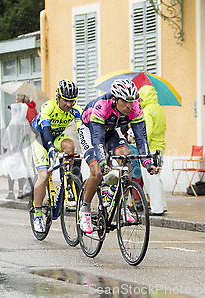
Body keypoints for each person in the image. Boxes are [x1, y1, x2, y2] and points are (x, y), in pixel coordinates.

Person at [78, 79, 159, 234]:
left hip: (111, 130)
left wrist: (148, 163)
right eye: (125, 102)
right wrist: (103, 162)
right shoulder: (102, 105)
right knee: (97, 171)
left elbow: (141, 139)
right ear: (115, 99)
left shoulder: (135, 108)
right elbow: (97, 139)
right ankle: (85, 210)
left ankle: (122, 206)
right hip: (90, 131)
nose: (129, 106)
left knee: (125, 157)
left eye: (132, 101)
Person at [30, 79, 83, 233]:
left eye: (72, 101)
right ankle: (38, 214)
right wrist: (51, 149)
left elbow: (82, 131)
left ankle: (67, 180)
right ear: (58, 97)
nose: (68, 104)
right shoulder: (48, 107)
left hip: (57, 136)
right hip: (40, 139)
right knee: (44, 174)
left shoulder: (76, 110)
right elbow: (46, 131)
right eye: (65, 100)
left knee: (70, 146)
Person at [138, 85, 167, 215]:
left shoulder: (147, 111)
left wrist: (140, 145)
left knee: (151, 179)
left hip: (150, 149)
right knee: (158, 178)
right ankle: (162, 205)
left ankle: (156, 208)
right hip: (160, 148)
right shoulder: (159, 109)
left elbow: (147, 132)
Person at [2, 103, 31, 199]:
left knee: (11, 170)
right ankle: (20, 191)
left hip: (13, 151)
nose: (11, 112)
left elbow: (8, 135)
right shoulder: (25, 122)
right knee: (21, 171)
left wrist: (5, 146)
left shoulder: (13, 122)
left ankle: (11, 192)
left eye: (13, 110)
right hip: (24, 150)